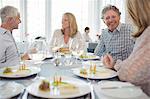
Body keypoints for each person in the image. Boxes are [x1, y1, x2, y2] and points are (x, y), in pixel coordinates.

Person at [103, 0, 150, 96]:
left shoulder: (133, 30)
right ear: (103, 20)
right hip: (119, 72)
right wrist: (111, 62)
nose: (111, 20)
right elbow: (98, 53)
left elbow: (129, 72)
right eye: (107, 18)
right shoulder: (104, 33)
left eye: (113, 16)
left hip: (131, 83)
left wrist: (116, 65)